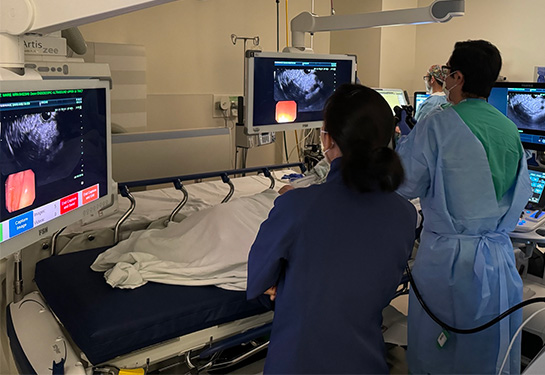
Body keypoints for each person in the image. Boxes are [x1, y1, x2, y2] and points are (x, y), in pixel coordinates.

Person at [247, 83, 417, 374]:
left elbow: (257, 281)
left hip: (299, 362)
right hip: (365, 363)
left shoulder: (297, 206)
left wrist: (285, 283)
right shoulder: (405, 213)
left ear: (328, 140)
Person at [396, 40, 532, 374]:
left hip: (447, 264)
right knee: (487, 355)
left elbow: (405, 183)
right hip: (498, 263)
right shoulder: (509, 130)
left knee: (438, 353)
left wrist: (401, 144)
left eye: (445, 73)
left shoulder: (437, 125)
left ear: (456, 76)